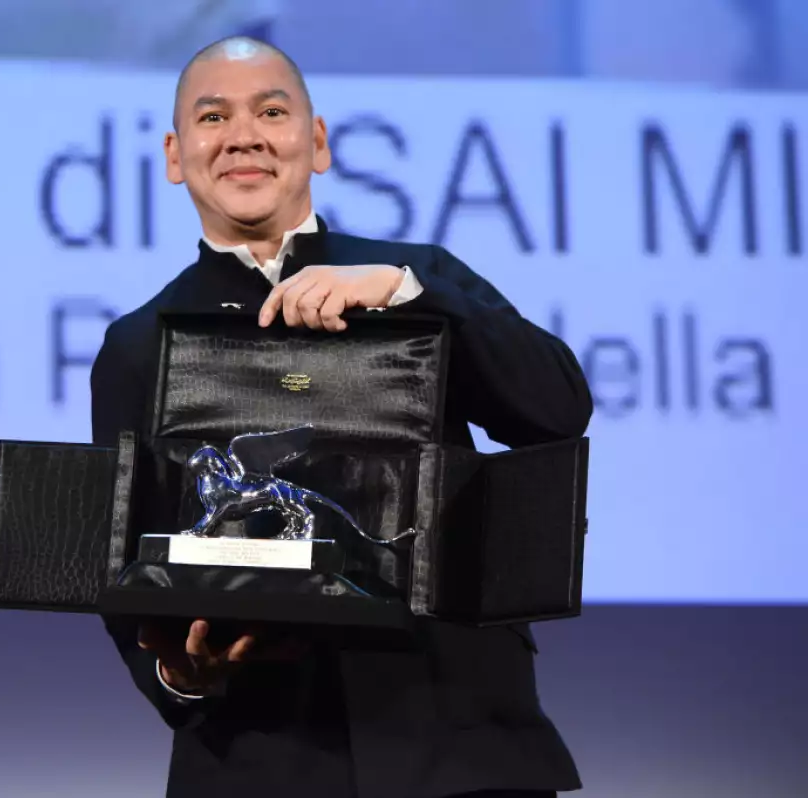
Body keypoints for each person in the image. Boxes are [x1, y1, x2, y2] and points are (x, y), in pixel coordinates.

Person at [89, 36, 592, 798]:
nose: (244, 135)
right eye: (213, 115)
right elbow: (123, 554)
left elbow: (556, 410)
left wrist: (408, 293)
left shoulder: (413, 281)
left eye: (271, 110)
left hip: (462, 748)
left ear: (316, 142)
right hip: (263, 756)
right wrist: (176, 674)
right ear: (175, 152)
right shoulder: (139, 343)